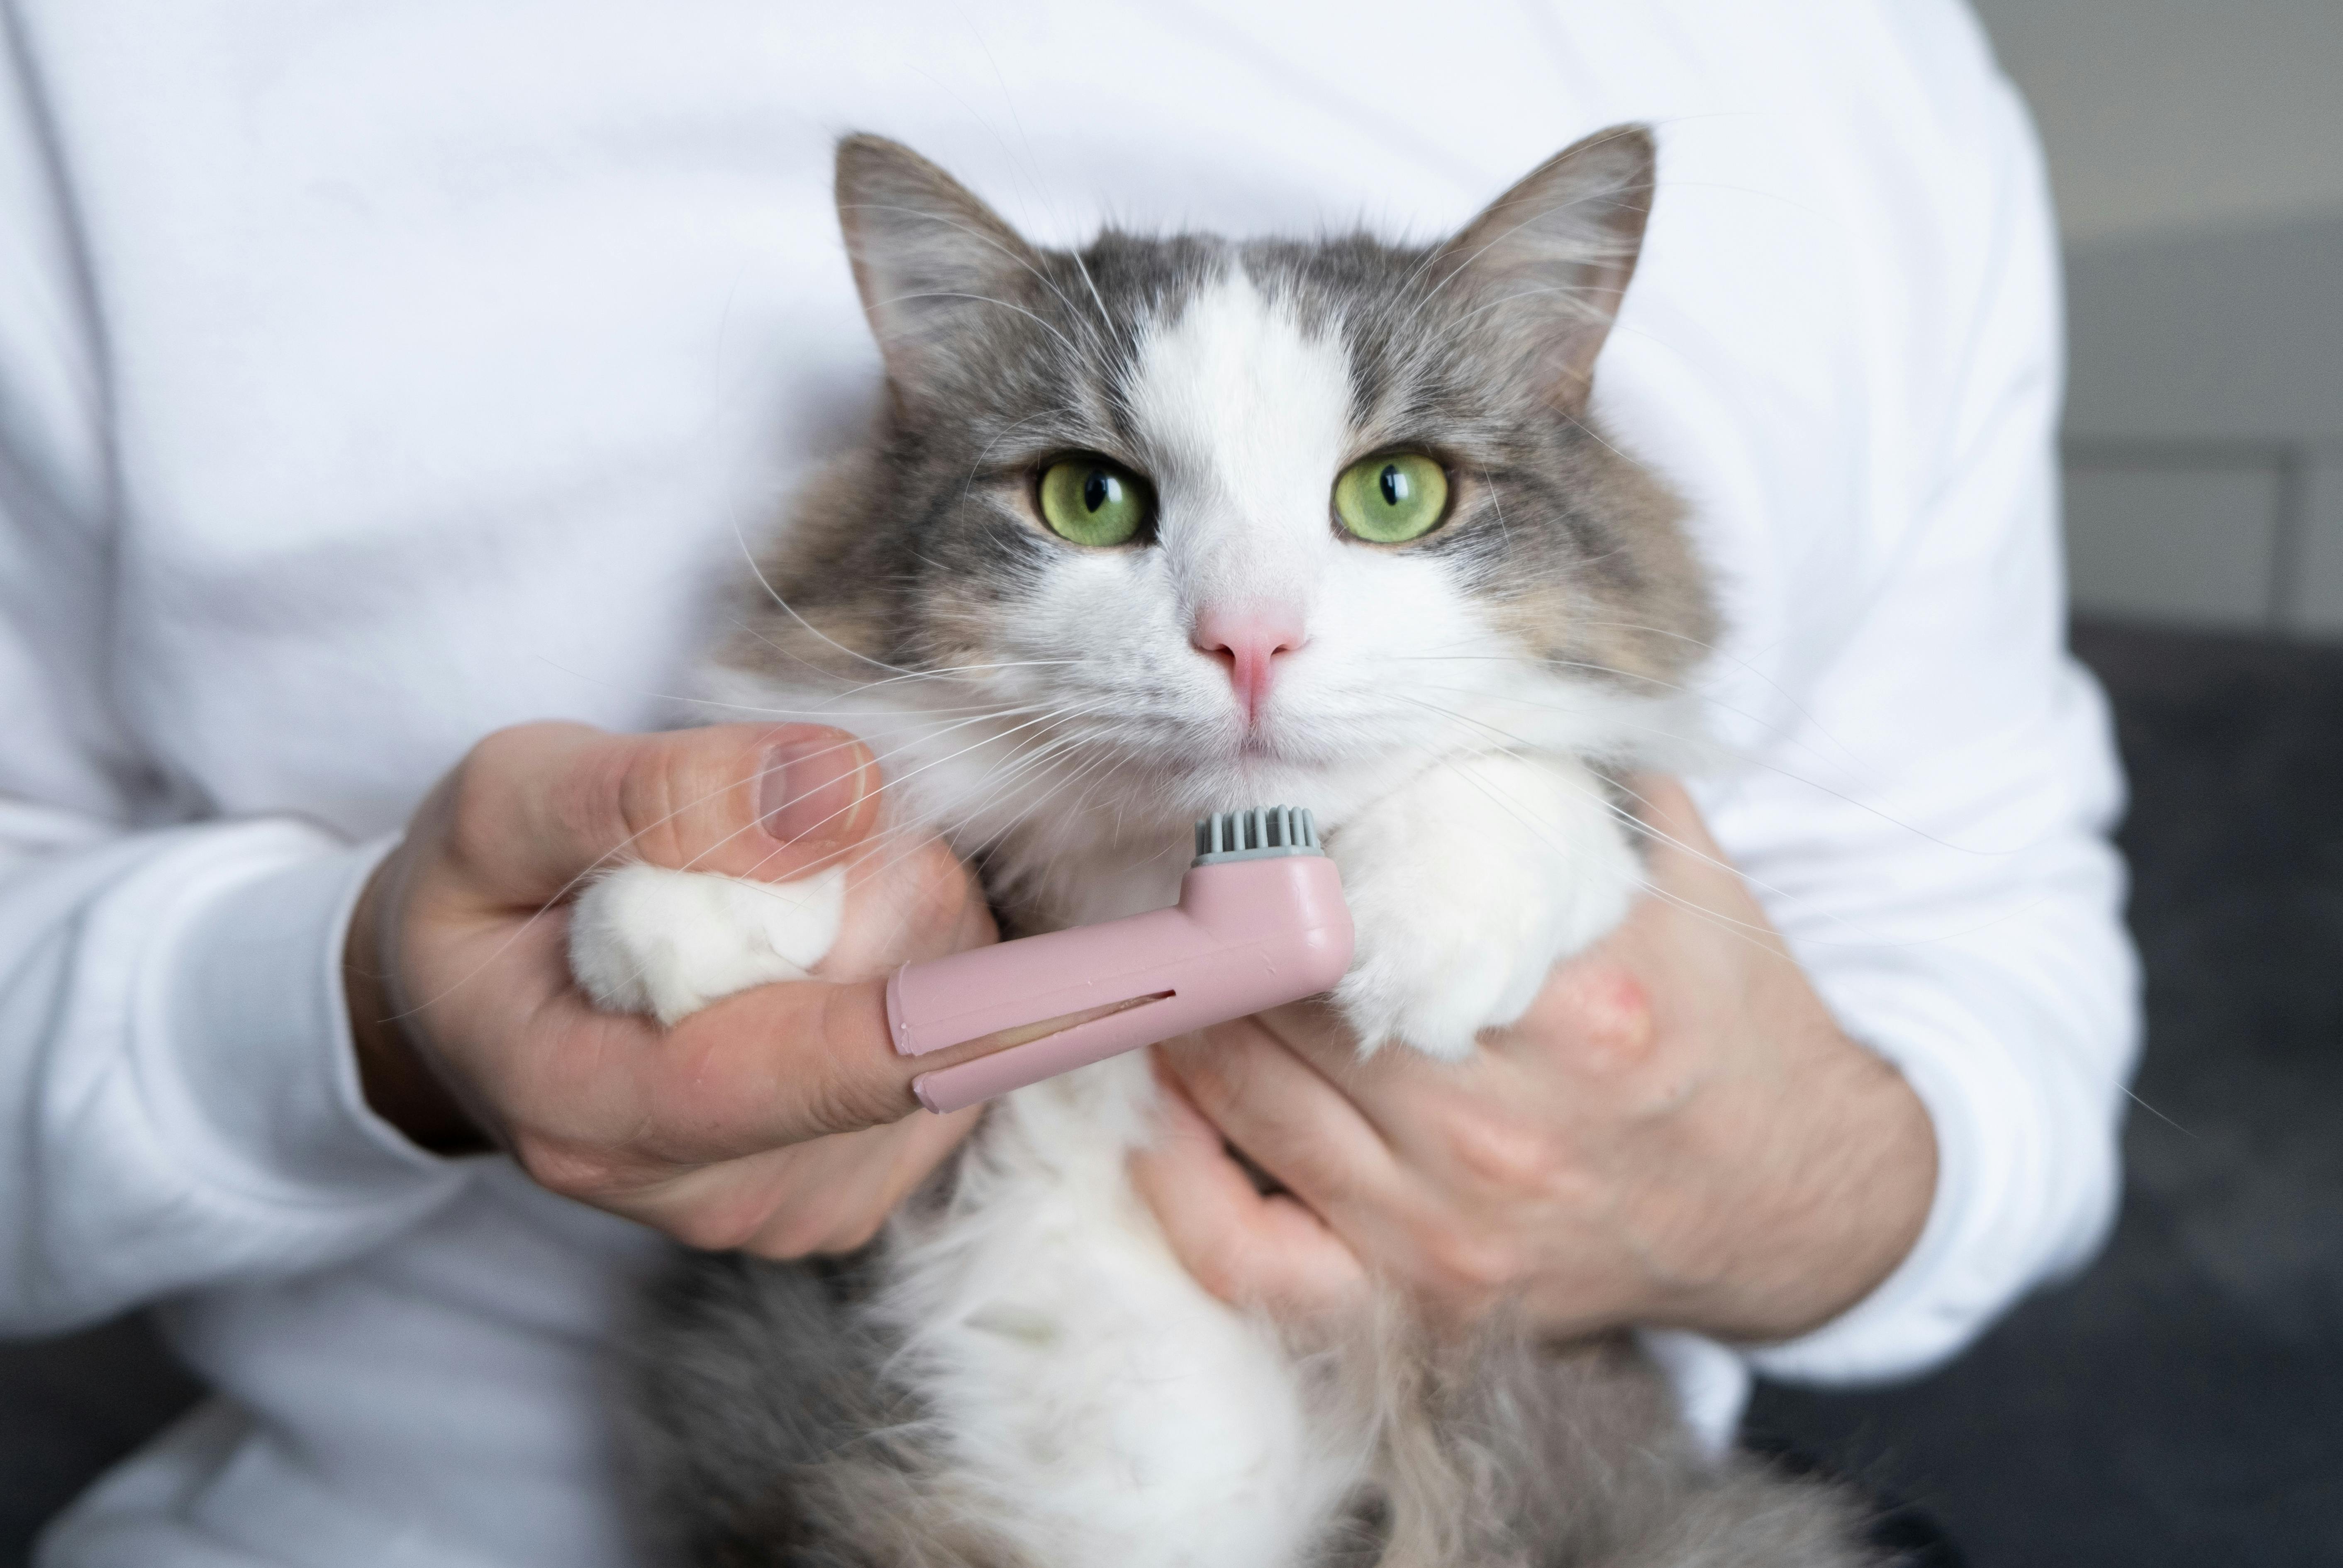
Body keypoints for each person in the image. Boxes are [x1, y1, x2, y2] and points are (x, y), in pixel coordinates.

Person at [0, 2, 2137, 1563]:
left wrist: (1802, 1184)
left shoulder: (1856, 77)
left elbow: (1992, 946)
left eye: (1391, 491)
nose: (1246, 626)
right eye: (1100, 494)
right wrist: (363, 1014)